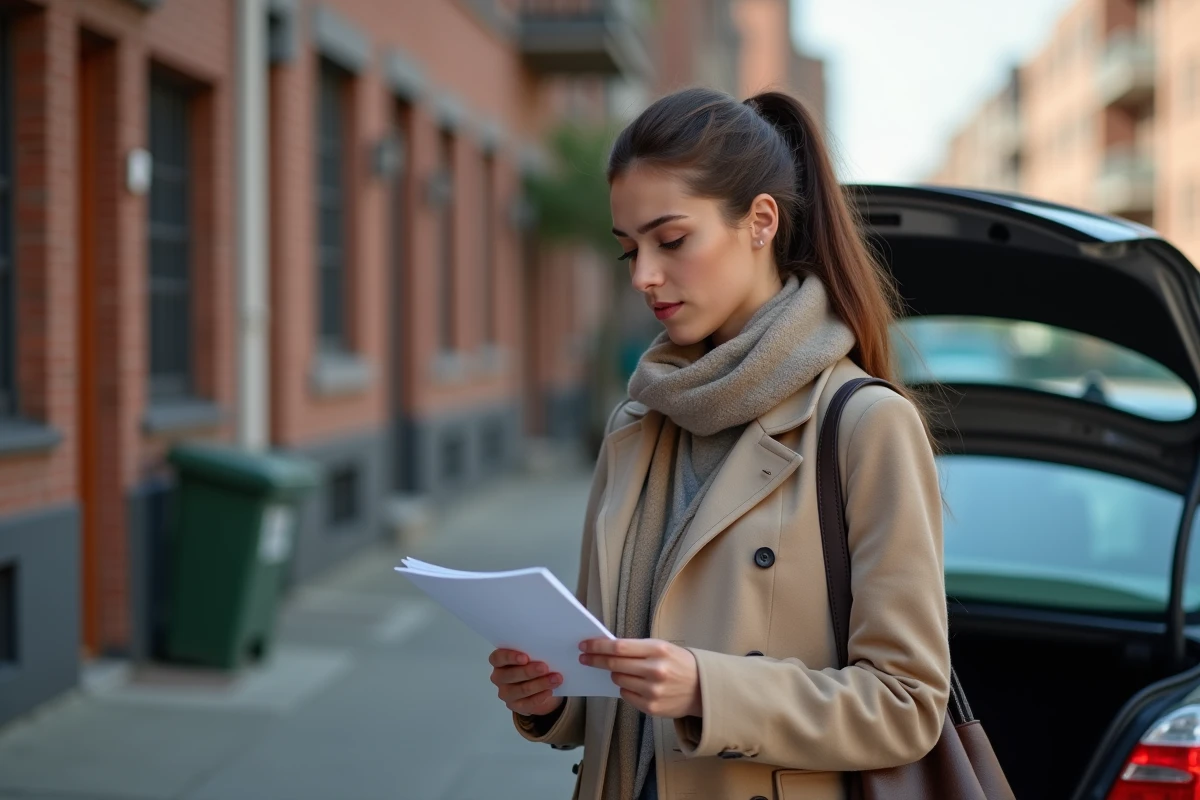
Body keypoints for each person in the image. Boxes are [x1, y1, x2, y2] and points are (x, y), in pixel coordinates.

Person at [488, 87, 950, 800]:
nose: (645, 275)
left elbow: (907, 705)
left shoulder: (864, 422)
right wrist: (549, 699)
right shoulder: (639, 424)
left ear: (760, 221)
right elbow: (606, 683)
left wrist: (711, 688)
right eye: (628, 251)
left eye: (671, 241)